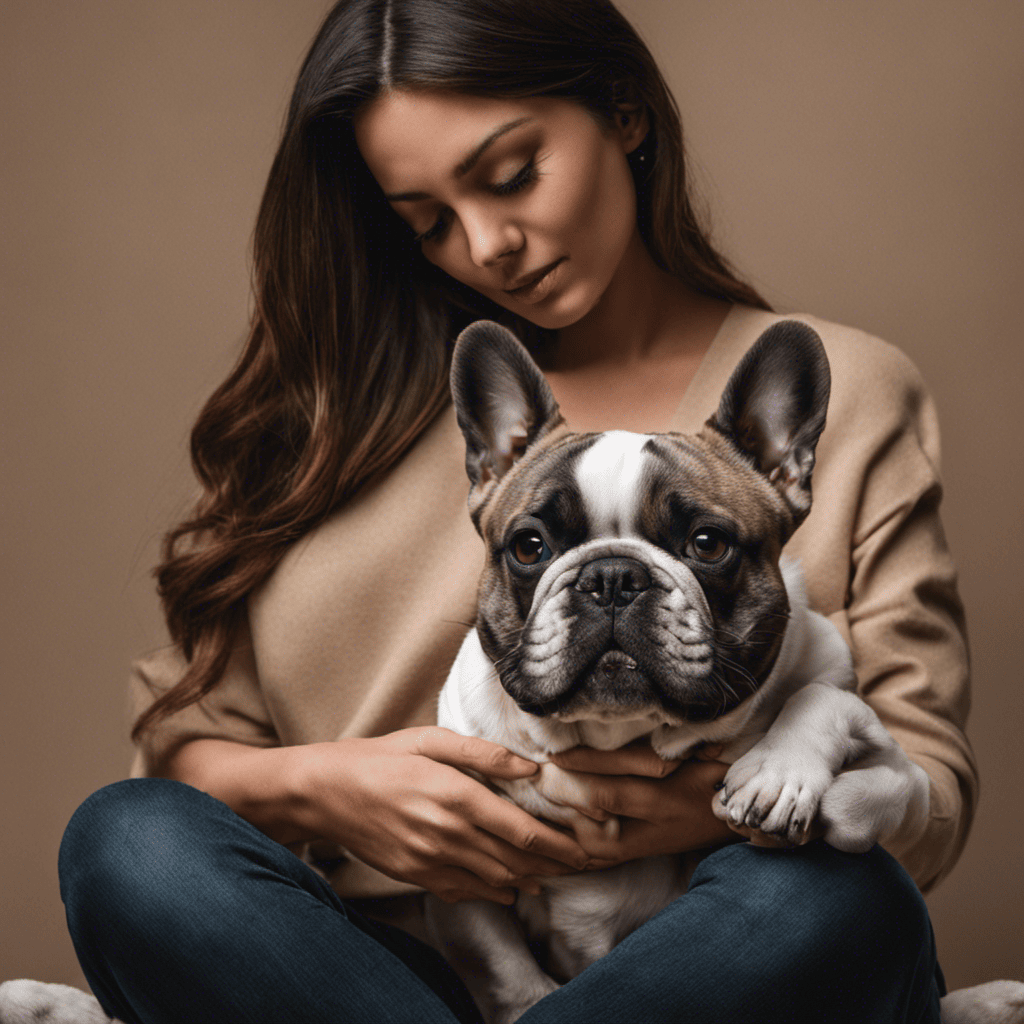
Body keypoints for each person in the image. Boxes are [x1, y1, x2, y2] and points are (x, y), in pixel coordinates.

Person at [58, 1, 976, 1021]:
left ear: (623, 111)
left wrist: (702, 814)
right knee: (129, 840)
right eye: (427, 222)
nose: (487, 243)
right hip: (388, 973)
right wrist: (333, 790)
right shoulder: (327, 415)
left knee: (839, 899)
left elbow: (924, 783)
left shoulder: (838, 390)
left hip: (718, 949)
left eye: (510, 175)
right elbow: (180, 757)